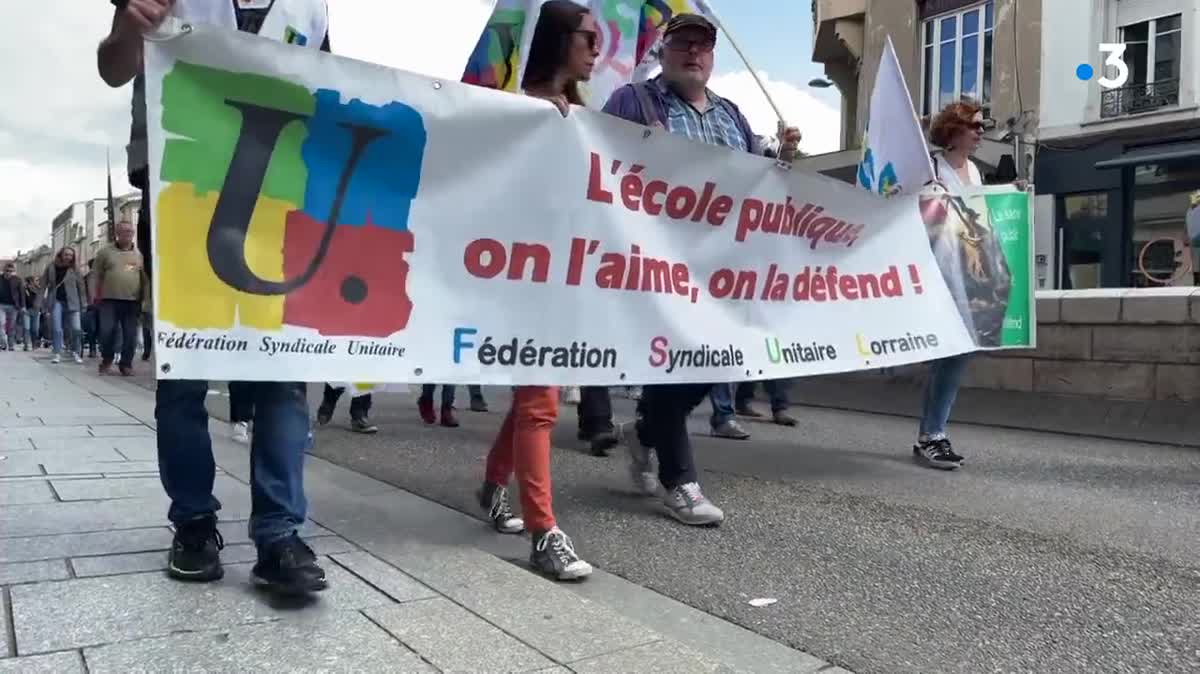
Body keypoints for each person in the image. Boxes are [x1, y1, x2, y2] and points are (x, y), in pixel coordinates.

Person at [100, 0, 332, 594]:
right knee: (186, 365)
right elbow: (113, 66)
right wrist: (130, 25)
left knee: (282, 368)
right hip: (182, 184)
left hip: (280, 194)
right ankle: (195, 523)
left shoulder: (313, 6)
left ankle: (279, 533)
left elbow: (328, 92)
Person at [602, 13, 801, 525]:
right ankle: (680, 480)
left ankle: (644, 432)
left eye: (703, 46)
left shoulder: (732, 115)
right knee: (675, 363)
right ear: (663, 52)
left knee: (720, 362)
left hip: (722, 269)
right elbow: (595, 159)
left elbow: (757, 181)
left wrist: (784, 157)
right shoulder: (635, 101)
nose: (694, 53)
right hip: (657, 262)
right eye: (684, 44)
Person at [477, 0, 599, 581]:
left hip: (563, 276)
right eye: (587, 38)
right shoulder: (506, 109)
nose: (597, 49)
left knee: (533, 395)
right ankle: (542, 530)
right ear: (556, 41)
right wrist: (525, 120)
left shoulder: (586, 118)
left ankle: (492, 486)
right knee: (540, 401)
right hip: (514, 273)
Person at [914, 99, 1018, 470]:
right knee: (951, 354)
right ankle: (932, 435)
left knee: (954, 355)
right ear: (953, 130)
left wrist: (1012, 194)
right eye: (974, 126)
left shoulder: (973, 170)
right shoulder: (931, 168)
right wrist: (928, 192)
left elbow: (981, 217)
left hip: (970, 277)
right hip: (938, 274)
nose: (980, 133)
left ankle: (931, 434)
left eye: (982, 127)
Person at [93, 220, 146, 376]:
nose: (127, 234)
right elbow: (95, 275)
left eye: (130, 232)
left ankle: (126, 364)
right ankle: (107, 358)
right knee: (106, 331)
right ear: (117, 233)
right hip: (109, 300)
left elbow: (145, 279)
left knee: (130, 335)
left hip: (132, 301)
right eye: (123, 231)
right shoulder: (105, 252)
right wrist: (92, 295)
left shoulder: (139, 255)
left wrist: (145, 299)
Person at [41, 248, 88, 365]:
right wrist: (40, 303)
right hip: (57, 301)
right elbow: (43, 285)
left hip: (73, 302)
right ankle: (57, 353)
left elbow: (81, 287)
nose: (68, 257)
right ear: (61, 255)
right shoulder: (51, 267)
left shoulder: (75, 269)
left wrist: (84, 303)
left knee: (76, 329)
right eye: (66, 254)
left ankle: (75, 351)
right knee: (57, 328)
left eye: (71, 255)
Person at [0, 263, 26, 352]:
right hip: (1, 305)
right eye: (7, 271)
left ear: (13, 272)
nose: (8, 273)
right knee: (1, 323)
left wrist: (23, 306)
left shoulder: (17, 280)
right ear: (4, 270)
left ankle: (11, 345)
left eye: (11, 271)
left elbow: (22, 293)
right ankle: (3, 342)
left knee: (11, 326)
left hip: (14, 306)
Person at [23, 276, 43, 350]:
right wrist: (23, 307)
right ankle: (26, 344)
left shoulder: (39, 289)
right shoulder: (25, 289)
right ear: (31, 282)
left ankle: (34, 344)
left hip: (36, 311)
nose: (37, 282)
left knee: (35, 329)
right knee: (26, 328)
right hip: (27, 310)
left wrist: (41, 310)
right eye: (36, 280)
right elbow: (22, 298)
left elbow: (41, 300)